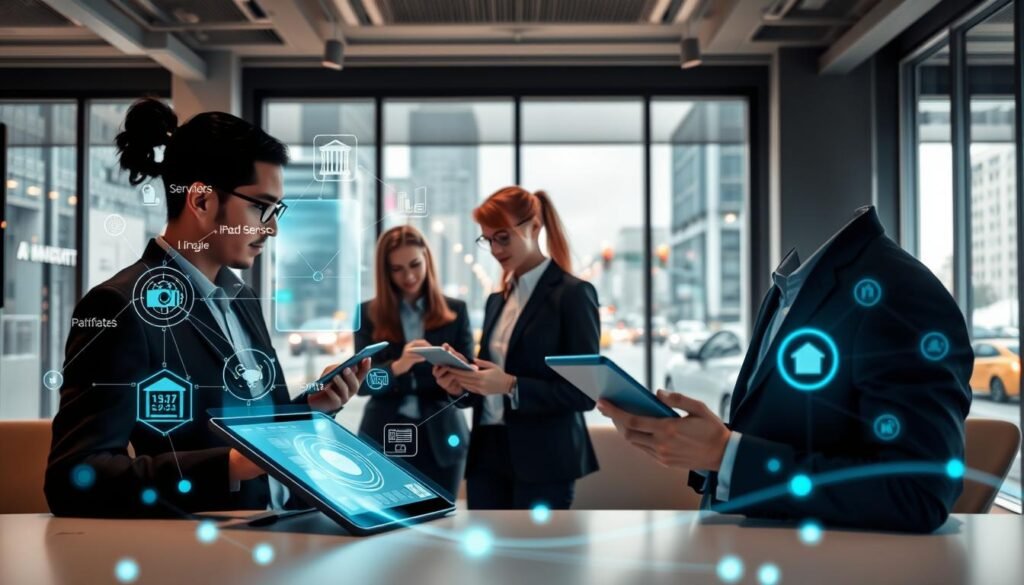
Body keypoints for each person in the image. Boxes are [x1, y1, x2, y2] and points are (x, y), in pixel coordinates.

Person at [45, 98, 369, 517]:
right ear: (201, 201)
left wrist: (308, 410)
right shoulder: (121, 307)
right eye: (260, 206)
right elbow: (74, 478)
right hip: (201, 557)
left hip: (282, 535)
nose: (271, 227)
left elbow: (261, 435)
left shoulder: (242, 298)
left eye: (276, 209)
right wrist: (230, 465)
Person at [598, 206, 972, 533]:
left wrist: (726, 454)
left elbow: (920, 491)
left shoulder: (898, 290)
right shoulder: (791, 286)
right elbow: (800, 435)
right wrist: (706, 452)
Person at [433, 186, 600, 510]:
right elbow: (488, 383)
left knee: (535, 559)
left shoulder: (573, 295)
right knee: (488, 559)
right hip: (487, 454)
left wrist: (511, 385)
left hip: (544, 459)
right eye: (487, 240)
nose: (495, 249)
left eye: (503, 237)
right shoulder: (497, 300)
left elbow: (584, 394)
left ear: (534, 227)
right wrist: (459, 386)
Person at [353, 225, 473, 499]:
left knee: (442, 526)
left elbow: (467, 389)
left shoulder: (456, 311)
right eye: (397, 269)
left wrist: (454, 372)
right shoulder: (366, 314)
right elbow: (362, 384)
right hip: (385, 435)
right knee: (387, 530)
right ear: (385, 272)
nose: (408, 276)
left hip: (442, 438)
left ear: (427, 260)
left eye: (415, 264)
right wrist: (399, 365)